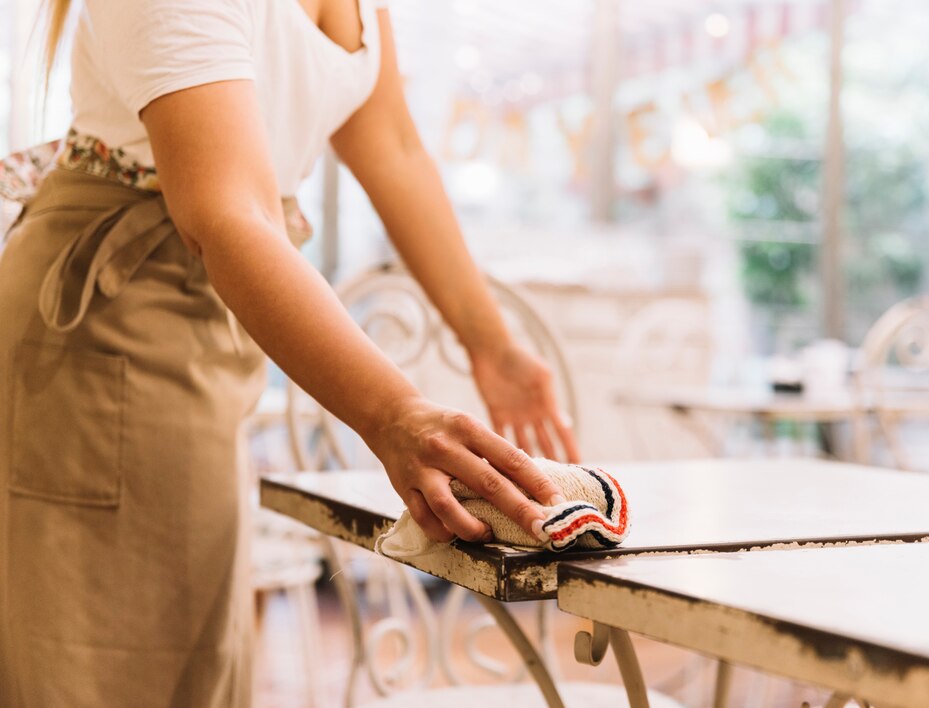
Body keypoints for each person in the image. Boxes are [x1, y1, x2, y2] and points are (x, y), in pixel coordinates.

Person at [0, 0, 579, 705]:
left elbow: (392, 145)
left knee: (190, 645)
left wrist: (494, 346)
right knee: (117, 660)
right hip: (109, 324)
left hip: (203, 313)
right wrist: (395, 413)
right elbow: (230, 214)